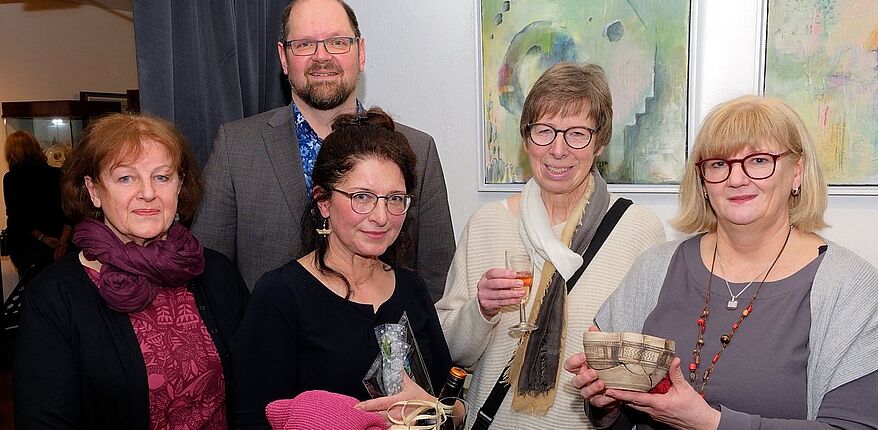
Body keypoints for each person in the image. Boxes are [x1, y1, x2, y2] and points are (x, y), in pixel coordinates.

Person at [566, 95, 878, 429]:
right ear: (702, 181)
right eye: (718, 164)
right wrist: (605, 404)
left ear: (797, 172)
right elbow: (614, 415)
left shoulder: (849, 286)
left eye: (759, 161)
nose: (736, 179)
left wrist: (710, 423)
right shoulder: (654, 268)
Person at [436, 62, 666, 429]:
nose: (558, 150)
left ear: (600, 141)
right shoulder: (487, 224)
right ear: (526, 139)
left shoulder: (637, 231)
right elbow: (449, 351)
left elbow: (644, 367)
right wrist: (480, 310)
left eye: (577, 134)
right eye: (544, 131)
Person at [193, 0, 455, 300]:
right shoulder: (236, 148)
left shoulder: (418, 150)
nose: (322, 56)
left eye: (337, 42)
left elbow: (439, 284)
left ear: (361, 52)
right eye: (304, 44)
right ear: (283, 57)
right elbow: (206, 276)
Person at [13, 113, 250, 429]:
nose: (148, 193)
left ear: (180, 186)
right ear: (94, 191)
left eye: (162, 177)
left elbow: (255, 388)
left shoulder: (217, 272)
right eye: (126, 178)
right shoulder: (54, 297)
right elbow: (45, 421)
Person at [230, 109, 453, 429]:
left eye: (394, 199)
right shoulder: (281, 296)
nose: (381, 216)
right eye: (362, 197)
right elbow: (252, 421)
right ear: (323, 201)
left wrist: (432, 409)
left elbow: (450, 402)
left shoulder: (411, 288)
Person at [3, 130, 71, 275]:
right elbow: (69, 210)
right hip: (58, 240)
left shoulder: (11, 178)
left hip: (26, 244)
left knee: (31, 287)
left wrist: (42, 237)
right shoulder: (56, 174)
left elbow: (17, 216)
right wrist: (63, 241)